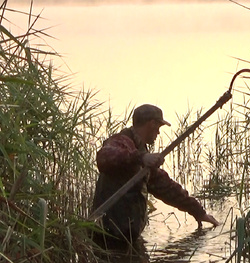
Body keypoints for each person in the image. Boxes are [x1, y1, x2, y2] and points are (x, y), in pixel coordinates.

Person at [91, 104, 219, 244]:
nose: (158, 133)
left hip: (127, 236)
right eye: (158, 127)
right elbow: (105, 157)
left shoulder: (138, 151)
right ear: (152, 124)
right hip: (108, 236)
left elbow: (165, 187)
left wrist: (198, 212)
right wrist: (141, 158)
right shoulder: (122, 141)